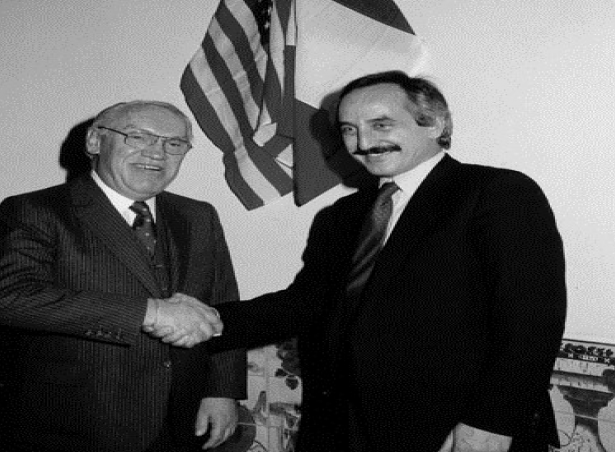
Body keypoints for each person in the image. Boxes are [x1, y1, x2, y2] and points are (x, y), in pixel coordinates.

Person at [163, 70, 567, 452]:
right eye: (349, 130)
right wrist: (209, 320)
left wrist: (492, 423)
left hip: (453, 429)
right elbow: (305, 304)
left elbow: (532, 320)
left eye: (381, 125)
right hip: (341, 428)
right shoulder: (341, 216)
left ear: (434, 124)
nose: (363, 143)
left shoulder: (495, 193)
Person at [0, 100, 246, 452]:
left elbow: (223, 303)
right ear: (95, 141)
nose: (156, 153)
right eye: (138, 137)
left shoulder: (199, 216)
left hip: (181, 422)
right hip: (72, 423)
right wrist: (149, 312)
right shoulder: (37, 210)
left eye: (174, 143)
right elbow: (10, 298)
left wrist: (222, 391)